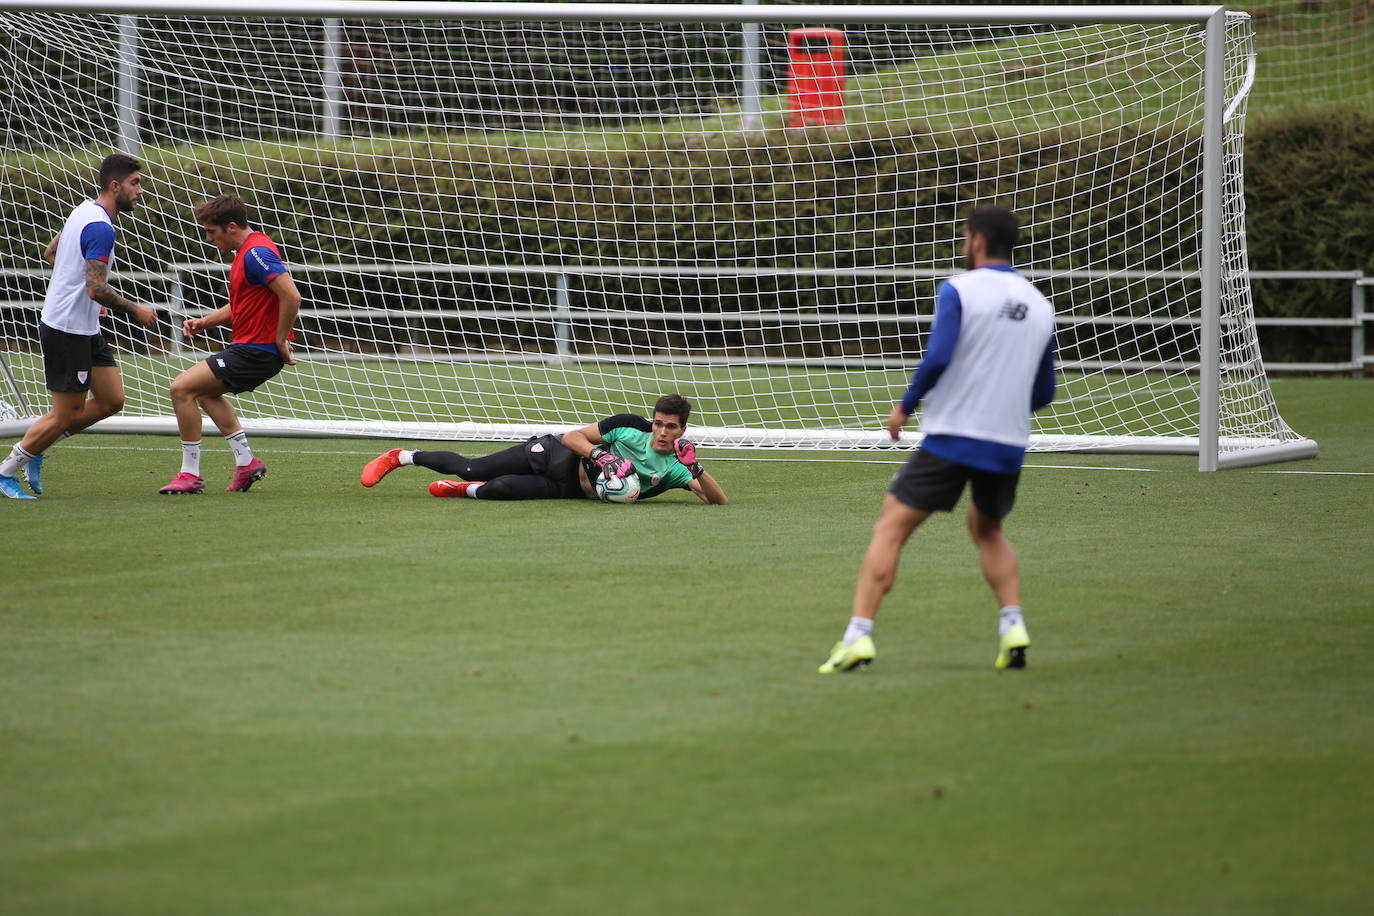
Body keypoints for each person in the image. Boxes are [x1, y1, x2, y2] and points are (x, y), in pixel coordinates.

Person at [819, 204, 1056, 674]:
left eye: (966, 237)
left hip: (953, 436)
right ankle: (1013, 626)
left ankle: (857, 637)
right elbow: (1044, 391)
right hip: (1008, 441)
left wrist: (905, 404)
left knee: (891, 526)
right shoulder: (1040, 304)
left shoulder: (959, 290)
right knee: (987, 529)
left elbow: (938, 355)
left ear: (979, 242)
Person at [0, 153, 158, 499]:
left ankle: (37, 445)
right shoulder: (101, 227)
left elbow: (52, 252)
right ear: (115, 186)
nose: (140, 191)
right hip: (67, 330)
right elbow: (96, 287)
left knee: (112, 400)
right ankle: (7, 469)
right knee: (65, 414)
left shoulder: (84, 210)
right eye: (135, 183)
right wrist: (135, 310)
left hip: (84, 327)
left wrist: (85, 295)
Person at [157, 194, 301, 494]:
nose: (209, 239)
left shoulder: (256, 253)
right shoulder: (246, 253)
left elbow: (291, 295)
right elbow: (243, 306)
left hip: (258, 351)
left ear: (232, 227)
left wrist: (279, 339)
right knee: (206, 394)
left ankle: (190, 474)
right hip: (251, 348)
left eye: (212, 232)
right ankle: (246, 462)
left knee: (181, 388)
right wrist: (204, 321)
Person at [360, 393, 728, 506]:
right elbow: (572, 437)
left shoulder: (679, 465)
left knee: (500, 490)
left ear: (683, 429)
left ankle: (462, 492)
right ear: (653, 419)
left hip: (568, 488)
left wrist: (697, 470)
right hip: (555, 454)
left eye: (671, 427)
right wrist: (599, 454)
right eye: (659, 423)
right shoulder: (630, 426)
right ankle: (402, 457)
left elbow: (717, 501)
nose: (662, 432)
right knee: (473, 467)